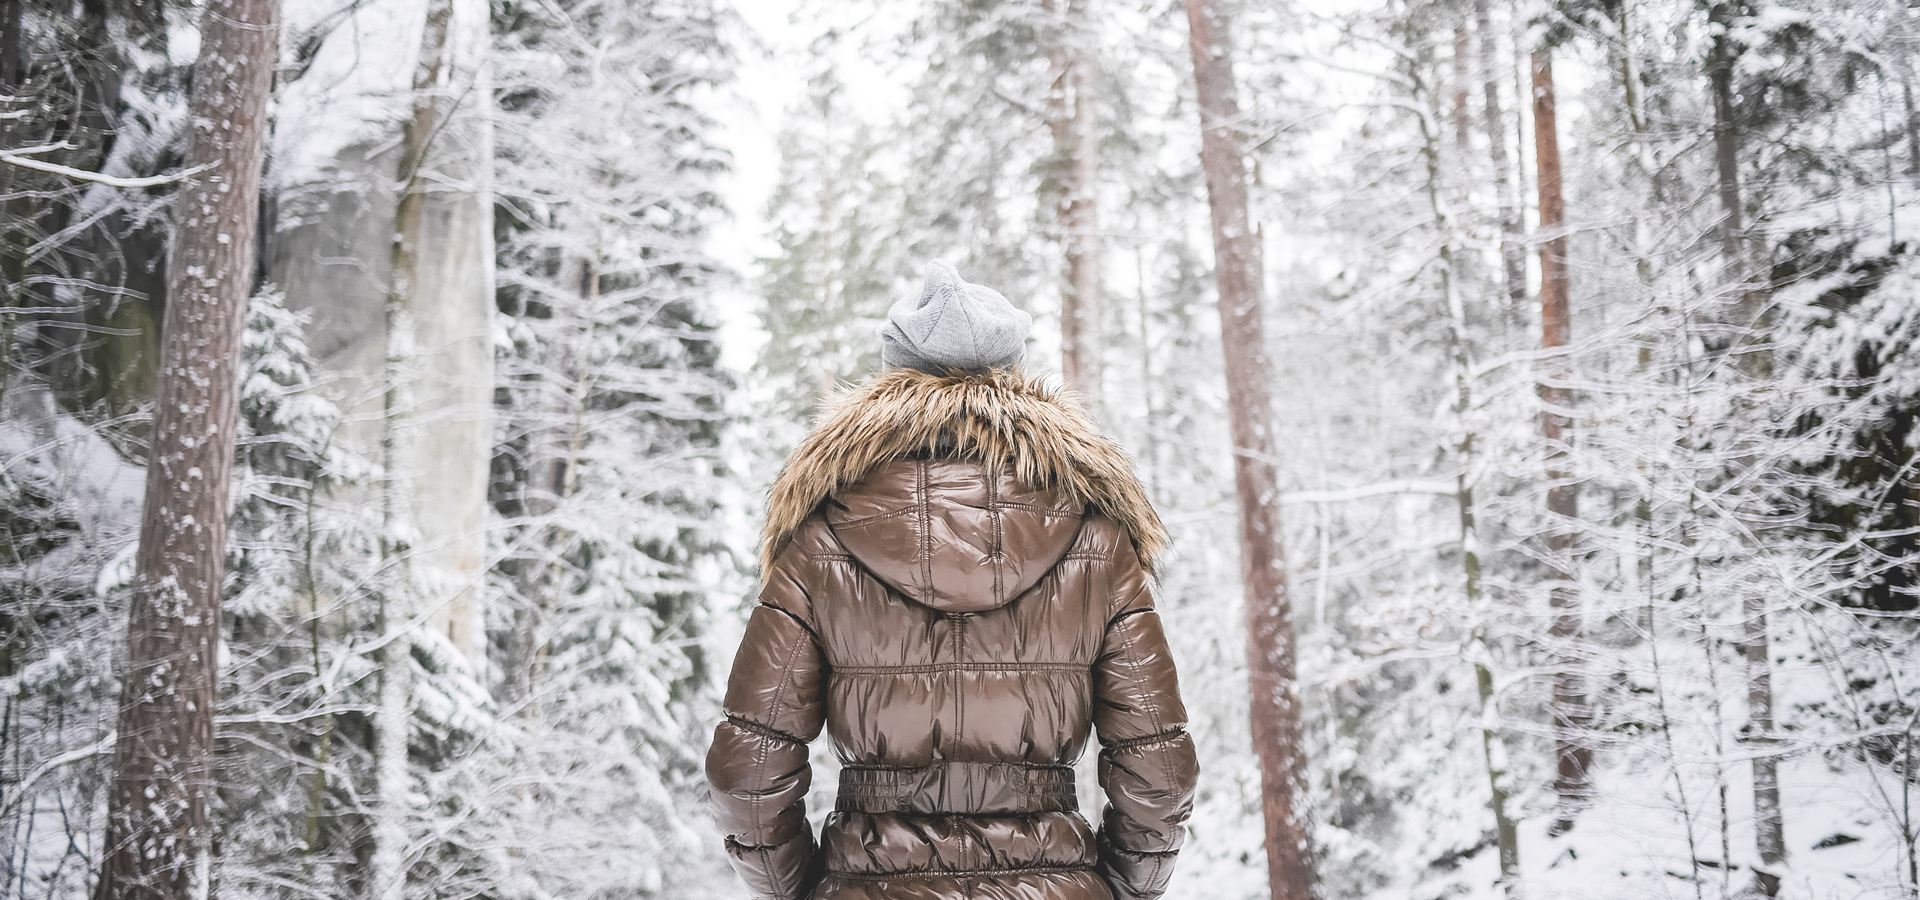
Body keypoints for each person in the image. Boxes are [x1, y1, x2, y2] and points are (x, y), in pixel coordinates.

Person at [706, 262, 1198, 900]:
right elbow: (1159, 769)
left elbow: (747, 771)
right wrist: (1122, 886)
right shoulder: (1096, 538)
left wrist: (800, 887)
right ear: (1015, 375)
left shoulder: (818, 541)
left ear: (892, 377)